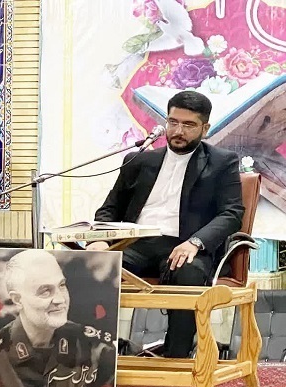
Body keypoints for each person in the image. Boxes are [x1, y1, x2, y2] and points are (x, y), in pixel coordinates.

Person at [87, 90, 245, 358]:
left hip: (184, 247)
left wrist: (195, 242)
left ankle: (176, 358)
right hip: (135, 245)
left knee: (189, 272)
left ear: (205, 128)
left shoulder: (221, 162)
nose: (178, 131)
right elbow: (110, 209)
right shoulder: (139, 160)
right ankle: (94, 358)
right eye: (173, 122)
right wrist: (100, 239)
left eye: (189, 125)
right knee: (90, 267)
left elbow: (232, 213)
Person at [0, 249, 117, 387]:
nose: (60, 299)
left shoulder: (97, 350)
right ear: (18, 299)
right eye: (45, 291)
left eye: (62, 285)